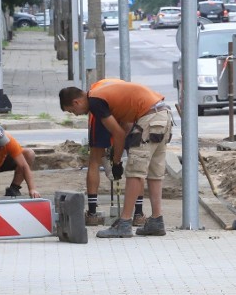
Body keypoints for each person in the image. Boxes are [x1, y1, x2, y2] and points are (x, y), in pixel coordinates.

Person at [59, 80, 172, 238]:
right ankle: (156, 220)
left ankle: (124, 223)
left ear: (76, 102)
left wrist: (117, 162)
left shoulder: (95, 102)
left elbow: (118, 134)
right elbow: (125, 126)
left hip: (150, 118)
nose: (76, 114)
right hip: (162, 114)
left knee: (135, 172)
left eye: (72, 111)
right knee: (154, 172)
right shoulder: (103, 95)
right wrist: (118, 155)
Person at [84, 78, 146, 227]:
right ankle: (138, 214)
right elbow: (120, 133)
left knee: (94, 159)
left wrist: (109, 157)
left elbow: (111, 135)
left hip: (104, 111)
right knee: (136, 159)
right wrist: (115, 157)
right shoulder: (121, 88)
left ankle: (92, 214)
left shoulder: (94, 97)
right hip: (127, 111)